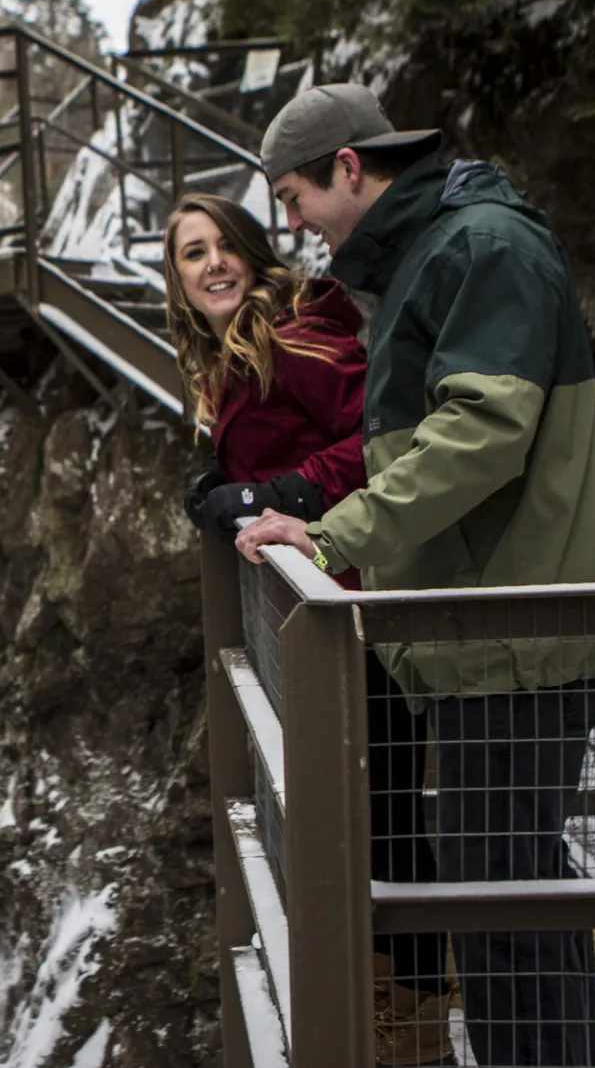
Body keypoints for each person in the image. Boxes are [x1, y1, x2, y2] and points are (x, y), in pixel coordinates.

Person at [237, 84, 595, 1067]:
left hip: (514, 627)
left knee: (496, 892)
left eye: (293, 196)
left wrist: (334, 537)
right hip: (493, 620)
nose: (289, 224)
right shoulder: (443, 251)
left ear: (349, 167)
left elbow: (480, 435)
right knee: (509, 886)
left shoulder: (479, 249)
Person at [165, 194, 452, 1067]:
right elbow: (281, 436)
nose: (213, 263)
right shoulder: (238, 347)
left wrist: (269, 494)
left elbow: (378, 436)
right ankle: (392, 1007)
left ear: (252, 254)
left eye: (224, 246)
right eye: (191, 253)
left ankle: (415, 1024)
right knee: (370, 811)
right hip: (328, 607)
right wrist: (221, 476)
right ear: (175, 280)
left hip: (360, 602)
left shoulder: (291, 330)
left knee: (387, 812)